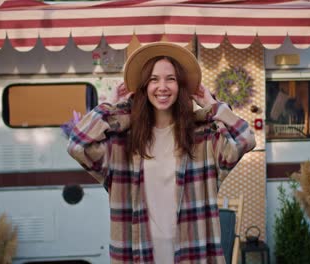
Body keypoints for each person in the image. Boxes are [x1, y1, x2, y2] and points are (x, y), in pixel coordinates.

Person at [67, 42, 256, 263]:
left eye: (171, 79)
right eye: (154, 79)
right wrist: (112, 105)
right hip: (138, 253)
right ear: (144, 87)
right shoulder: (121, 143)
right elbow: (77, 145)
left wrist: (212, 105)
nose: (162, 86)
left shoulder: (202, 138)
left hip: (192, 253)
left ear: (181, 86)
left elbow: (245, 139)